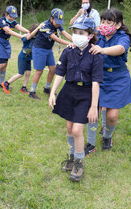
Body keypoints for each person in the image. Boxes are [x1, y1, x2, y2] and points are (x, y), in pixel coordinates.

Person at [49, 17, 103, 181]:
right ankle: (72, 158)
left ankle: (79, 163)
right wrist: (52, 92)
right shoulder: (68, 50)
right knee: (69, 128)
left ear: (89, 35)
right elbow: (59, 73)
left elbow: (96, 82)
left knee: (77, 130)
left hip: (86, 93)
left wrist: (94, 106)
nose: (77, 36)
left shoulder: (95, 54)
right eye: (74, 32)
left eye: (81, 33)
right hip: (69, 91)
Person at [85, 8, 131, 154]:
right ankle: (90, 143)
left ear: (118, 24)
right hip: (98, 77)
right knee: (93, 111)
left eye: (109, 22)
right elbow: (84, 43)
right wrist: (73, 45)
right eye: (103, 21)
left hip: (117, 78)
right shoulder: (97, 35)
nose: (104, 24)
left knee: (112, 116)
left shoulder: (122, 36)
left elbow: (120, 49)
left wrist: (102, 50)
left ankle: (107, 136)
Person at [29, 8, 72, 100]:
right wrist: (69, 44)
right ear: (51, 18)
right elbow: (56, 39)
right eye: (56, 21)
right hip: (39, 49)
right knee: (39, 71)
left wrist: (76, 41)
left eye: (60, 22)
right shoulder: (45, 26)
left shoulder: (57, 24)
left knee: (53, 69)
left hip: (48, 50)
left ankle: (47, 88)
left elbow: (65, 34)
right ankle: (32, 91)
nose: (58, 24)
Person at [0, 6, 29, 87]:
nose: (12, 18)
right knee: (2, 64)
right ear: (6, 14)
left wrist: (28, 31)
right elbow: (8, 30)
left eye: (14, 17)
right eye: (10, 16)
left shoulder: (13, 21)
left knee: (5, 64)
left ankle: (1, 83)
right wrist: (21, 36)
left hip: (5, 42)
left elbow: (19, 27)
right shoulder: (2, 20)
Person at [1, 23, 44, 94]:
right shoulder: (26, 37)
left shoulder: (36, 38)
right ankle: (6, 83)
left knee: (28, 73)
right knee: (21, 74)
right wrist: (36, 29)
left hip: (28, 58)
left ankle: (24, 87)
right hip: (23, 57)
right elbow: (29, 37)